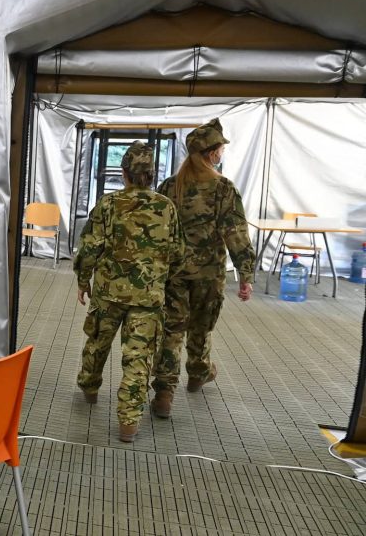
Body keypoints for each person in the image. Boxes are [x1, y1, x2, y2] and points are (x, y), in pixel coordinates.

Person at [74, 141, 184, 443]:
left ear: (123, 172)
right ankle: (129, 424)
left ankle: (89, 387)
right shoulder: (166, 207)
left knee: (98, 343)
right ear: (152, 174)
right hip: (148, 298)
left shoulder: (108, 204)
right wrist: (160, 281)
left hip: (109, 292)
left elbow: (91, 246)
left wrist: (83, 280)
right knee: (138, 360)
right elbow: (177, 252)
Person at [150, 119, 256, 418]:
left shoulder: (169, 186)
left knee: (171, 331)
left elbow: (155, 231)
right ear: (212, 153)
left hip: (172, 274)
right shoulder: (223, 188)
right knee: (201, 326)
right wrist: (246, 274)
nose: (222, 153)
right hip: (208, 275)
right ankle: (198, 373)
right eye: (221, 149)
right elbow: (235, 232)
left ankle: (164, 393)